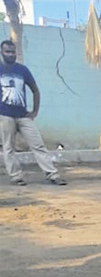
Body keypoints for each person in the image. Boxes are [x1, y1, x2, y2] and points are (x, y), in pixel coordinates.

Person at [0, 40, 66, 185]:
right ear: (2, 52)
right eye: (7, 52)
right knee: (8, 147)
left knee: (38, 145)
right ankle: (16, 177)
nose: (11, 55)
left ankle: (52, 175)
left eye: (13, 52)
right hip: (5, 116)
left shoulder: (22, 70)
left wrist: (35, 111)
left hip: (23, 115)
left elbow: (35, 90)